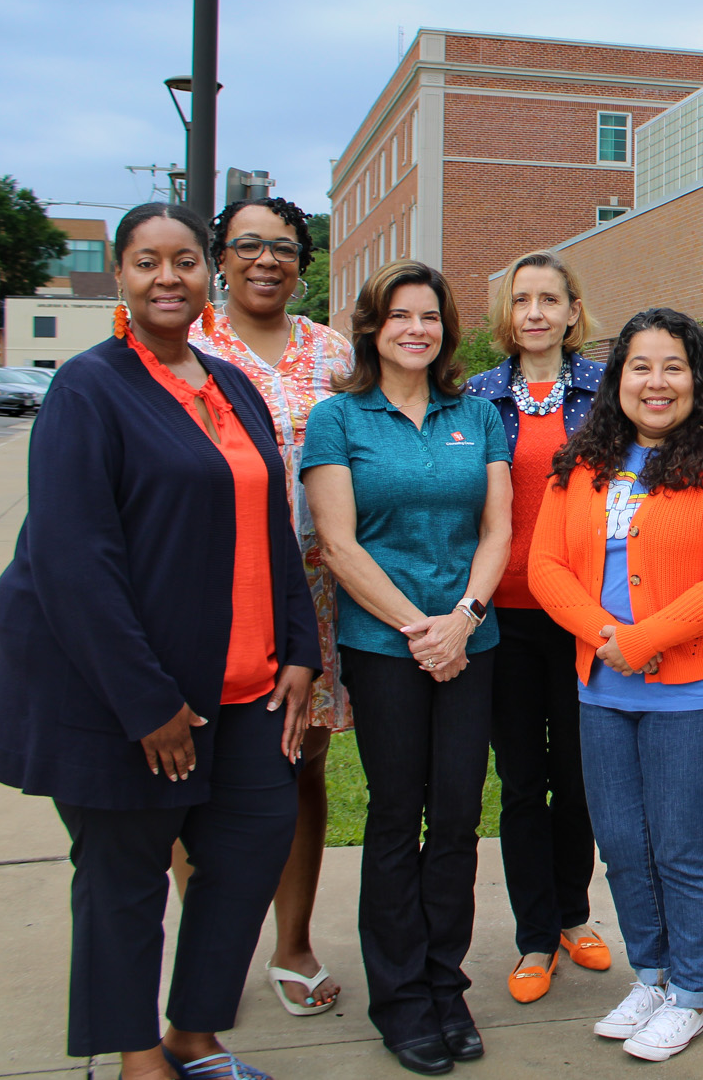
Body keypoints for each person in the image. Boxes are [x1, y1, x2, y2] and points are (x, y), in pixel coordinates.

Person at [0, 201, 319, 1080]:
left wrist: (298, 649)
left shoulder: (229, 383)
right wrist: (148, 703)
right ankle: (140, 1060)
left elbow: (275, 527)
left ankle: (194, 1036)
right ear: (121, 279)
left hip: (244, 686)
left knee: (251, 844)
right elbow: (71, 559)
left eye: (182, 261)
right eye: (145, 262)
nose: (167, 277)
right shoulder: (89, 389)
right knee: (124, 881)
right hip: (126, 695)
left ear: (206, 272)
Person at [528, 307, 703, 1062]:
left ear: (697, 376)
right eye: (641, 366)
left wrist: (642, 640)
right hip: (603, 689)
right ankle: (652, 974)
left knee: (680, 845)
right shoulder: (583, 459)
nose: (656, 382)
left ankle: (690, 992)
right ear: (617, 376)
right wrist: (609, 642)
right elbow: (546, 567)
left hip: (696, 692)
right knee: (623, 844)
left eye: (673, 366)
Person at [303, 261, 512, 1077]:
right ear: (373, 327)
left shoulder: (479, 415)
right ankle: (398, 997)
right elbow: (339, 544)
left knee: (458, 816)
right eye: (400, 316)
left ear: (446, 330)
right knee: (396, 816)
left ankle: (443, 984)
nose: (416, 329)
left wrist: (461, 621)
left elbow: (497, 530)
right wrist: (417, 627)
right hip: (386, 648)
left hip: (470, 643)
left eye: (430, 316)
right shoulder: (339, 417)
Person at [191, 194, 355, 1018]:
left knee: (302, 764)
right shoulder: (185, 344)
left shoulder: (332, 352)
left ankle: (291, 943)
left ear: (303, 259)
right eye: (248, 244)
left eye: (284, 246)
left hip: (317, 592)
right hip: (209, 593)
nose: (266, 259)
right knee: (200, 770)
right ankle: (211, 942)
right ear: (220, 255)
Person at [464, 250, 610, 1004]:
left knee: (579, 777)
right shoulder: (478, 398)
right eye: (521, 299)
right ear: (506, 314)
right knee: (522, 780)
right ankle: (533, 933)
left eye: (550, 298)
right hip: (502, 618)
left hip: (581, 616)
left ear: (572, 311)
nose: (535, 312)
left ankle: (574, 914)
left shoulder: (605, 392)